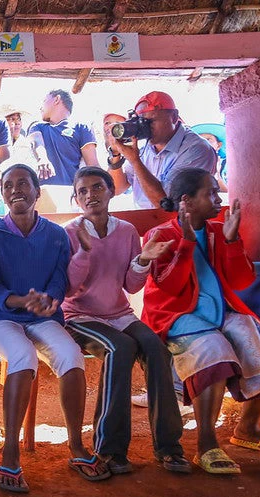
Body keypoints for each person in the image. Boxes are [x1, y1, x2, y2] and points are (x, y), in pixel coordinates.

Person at [0, 164, 110, 493]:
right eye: (9, 185)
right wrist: (21, 300)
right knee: (23, 356)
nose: (16, 190)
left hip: (43, 316)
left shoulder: (55, 234)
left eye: (24, 183)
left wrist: (49, 300)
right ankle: (11, 451)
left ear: (38, 192)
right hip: (1, 315)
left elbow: (59, 280)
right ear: (2, 194)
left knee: (70, 356)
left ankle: (76, 446)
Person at [62, 166, 191, 474]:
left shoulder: (126, 231)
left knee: (156, 349)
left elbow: (131, 286)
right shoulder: (69, 231)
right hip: (79, 315)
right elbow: (69, 288)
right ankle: (109, 449)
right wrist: (84, 252)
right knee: (119, 348)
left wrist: (144, 260)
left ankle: (169, 446)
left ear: (111, 191)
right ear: (76, 199)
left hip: (118, 313)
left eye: (97, 188)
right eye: (83, 191)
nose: (90, 195)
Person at [141, 167, 260, 474]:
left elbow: (241, 279)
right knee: (214, 351)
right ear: (186, 200)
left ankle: (247, 430)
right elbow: (169, 288)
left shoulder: (217, 230)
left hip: (220, 313)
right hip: (176, 316)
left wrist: (231, 240)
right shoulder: (160, 235)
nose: (218, 197)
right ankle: (207, 445)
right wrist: (185, 243)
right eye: (210, 192)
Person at [107, 91, 217, 209]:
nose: (145, 128)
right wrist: (116, 154)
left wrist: (135, 161)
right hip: (146, 220)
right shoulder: (146, 149)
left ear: (174, 117)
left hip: (178, 223)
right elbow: (118, 188)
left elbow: (166, 204)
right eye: (142, 122)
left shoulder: (196, 150)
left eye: (151, 121)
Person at [28, 89, 99, 186]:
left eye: (44, 101)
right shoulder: (38, 126)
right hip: (42, 193)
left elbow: (93, 166)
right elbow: (36, 142)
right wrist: (42, 158)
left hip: (71, 193)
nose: (41, 108)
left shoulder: (81, 127)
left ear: (57, 99)